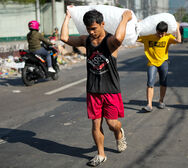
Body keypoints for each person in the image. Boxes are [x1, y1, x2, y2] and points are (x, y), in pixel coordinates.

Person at [60, 9, 132, 167]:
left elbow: (119, 38)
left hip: (110, 89)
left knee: (112, 124)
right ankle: (101, 154)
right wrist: (67, 17)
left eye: (94, 28)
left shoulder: (109, 41)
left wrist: (125, 19)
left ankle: (119, 133)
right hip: (93, 90)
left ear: (103, 24)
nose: (91, 32)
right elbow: (64, 38)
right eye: (88, 29)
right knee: (95, 124)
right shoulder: (86, 40)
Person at [137, 21, 181, 112]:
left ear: (166, 32)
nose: (160, 35)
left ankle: (161, 101)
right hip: (152, 63)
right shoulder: (148, 37)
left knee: (163, 82)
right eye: (159, 33)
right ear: (156, 30)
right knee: (150, 83)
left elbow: (179, 40)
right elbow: (135, 38)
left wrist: (177, 28)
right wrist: (137, 26)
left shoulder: (168, 37)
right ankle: (149, 104)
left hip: (163, 63)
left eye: (162, 33)